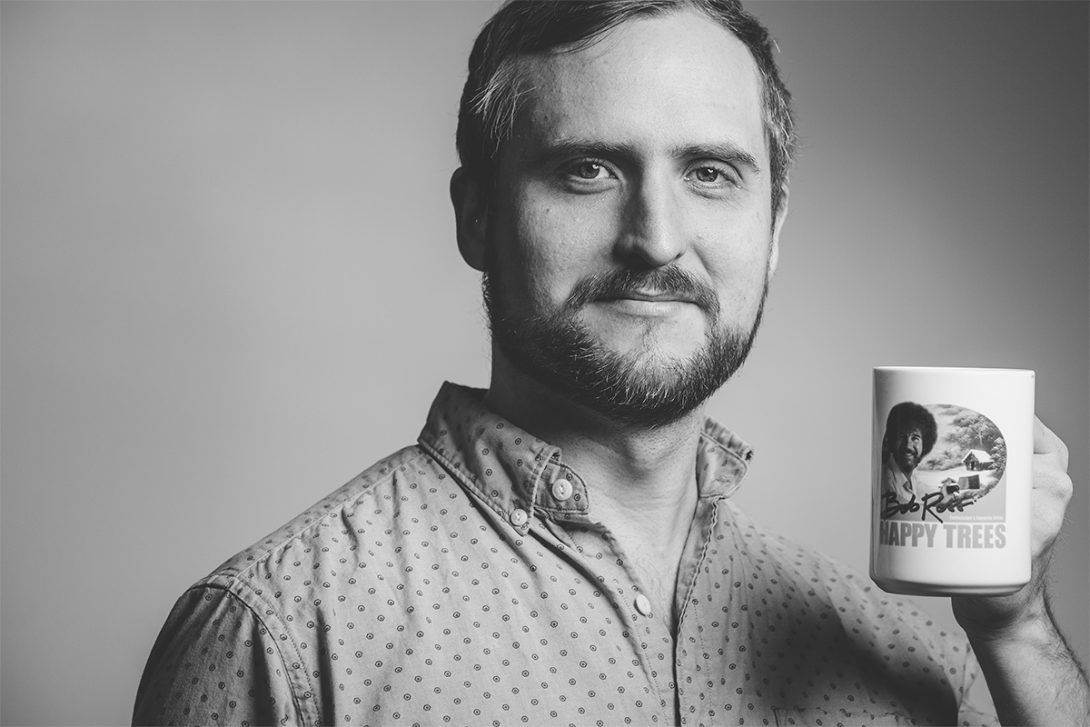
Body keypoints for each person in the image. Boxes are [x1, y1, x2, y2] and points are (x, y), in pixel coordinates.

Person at [132, 1, 1089, 725]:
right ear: (477, 216)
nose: (656, 238)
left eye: (710, 173)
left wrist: (1015, 629)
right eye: (587, 170)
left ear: (773, 230)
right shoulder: (276, 635)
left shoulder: (913, 666)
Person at [881, 402, 938, 506]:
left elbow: (925, 490)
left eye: (915, 438)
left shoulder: (912, 477)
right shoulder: (886, 478)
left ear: (924, 445)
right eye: (901, 436)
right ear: (892, 440)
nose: (908, 445)